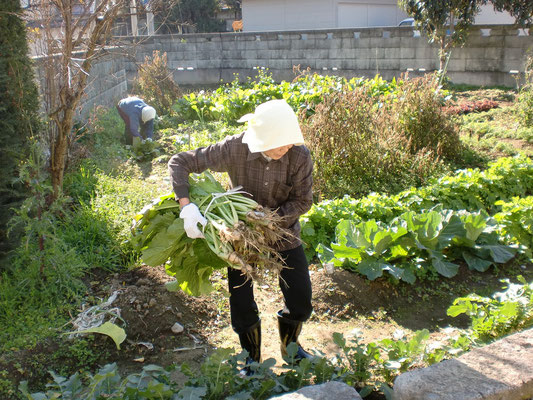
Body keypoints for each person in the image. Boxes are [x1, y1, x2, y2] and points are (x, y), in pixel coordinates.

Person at [168, 99, 314, 371]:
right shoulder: (236, 148)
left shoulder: (299, 156)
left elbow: (303, 201)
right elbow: (180, 161)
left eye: (289, 142)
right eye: (279, 143)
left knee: (301, 297)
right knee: (241, 299)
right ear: (261, 139)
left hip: (283, 232)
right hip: (239, 236)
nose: (286, 147)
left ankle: (291, 349)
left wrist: (268, 222)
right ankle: (251, 357)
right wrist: (186, 208)